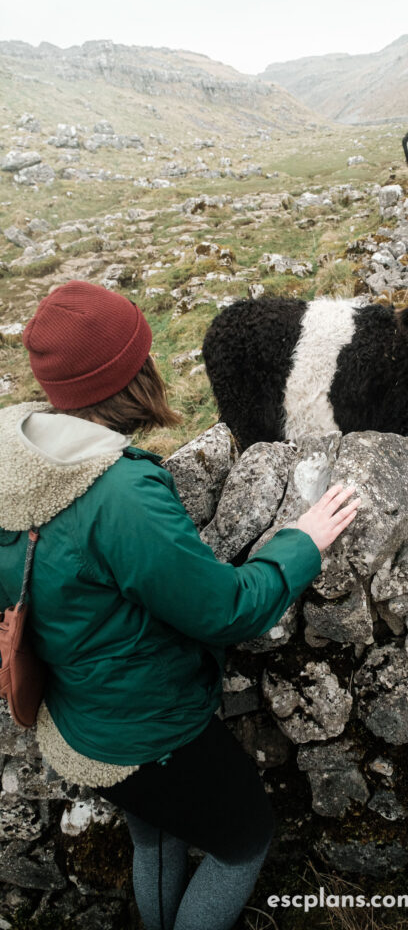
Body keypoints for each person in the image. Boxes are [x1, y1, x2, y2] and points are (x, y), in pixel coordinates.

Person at [0, 279, 359, 930]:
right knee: (242, 842)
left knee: (157, 836)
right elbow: (224, 610)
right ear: (130, 374)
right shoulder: (119, 496)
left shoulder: (12, 460)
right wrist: (299, 544)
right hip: (146, 732)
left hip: (80, 719)